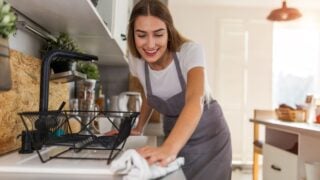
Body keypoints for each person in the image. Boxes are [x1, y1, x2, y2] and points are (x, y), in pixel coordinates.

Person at [107, 0, 232, 179]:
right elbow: (149, 95)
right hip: (174, 132)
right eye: (141, 35)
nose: (150, 45)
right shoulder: (137, 61)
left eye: (158, 34)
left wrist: (169, 148)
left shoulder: (189, 52)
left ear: (169, 32)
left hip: (209, 135)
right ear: (132, 35)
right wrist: (138, 127)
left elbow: (195, 100)